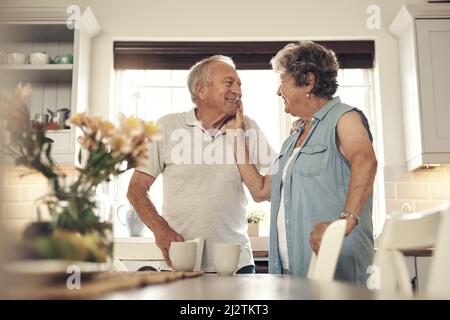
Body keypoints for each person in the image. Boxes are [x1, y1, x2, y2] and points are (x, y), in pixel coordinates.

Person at [226, 41, 377, 284]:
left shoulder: (344, 118)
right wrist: (235, 133)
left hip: (335, 270)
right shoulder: (293, 140)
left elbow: (365, 160)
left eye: (282, 81)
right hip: (291, 272)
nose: (278, 91)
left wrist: (346, 220)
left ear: (308, 81)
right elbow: (261, 190)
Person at [127, 55, 276, 274]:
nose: (238, 90)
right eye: (229, 83)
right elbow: (136, 190)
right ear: (201, 90)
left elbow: (272, 187)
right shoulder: (168, 126)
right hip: (180, 262)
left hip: (236, 263)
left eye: (239, 84)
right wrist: (161, 230)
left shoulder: (248, 127)